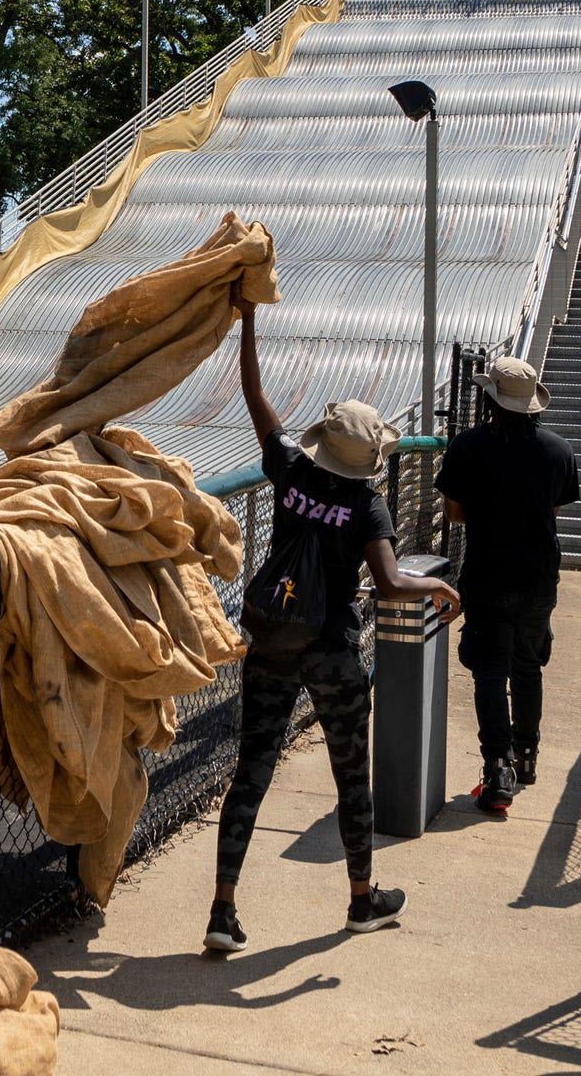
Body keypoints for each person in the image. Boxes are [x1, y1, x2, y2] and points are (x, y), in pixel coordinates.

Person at [205, 283, 460, 954]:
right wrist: (435, 591)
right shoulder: (367, 507)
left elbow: (255, 397)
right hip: (331, 649)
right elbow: (386, 581)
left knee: (250, 771)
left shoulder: (290, 471)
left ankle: (222, 912)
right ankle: (361, 899)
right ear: (369, 460)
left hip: (272, 638)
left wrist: (249, 319)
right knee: (352, 776)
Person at [435, 356, 579, 814]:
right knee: (528, 664)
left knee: (490, 671)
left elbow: (455, 513)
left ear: (489, 398)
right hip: (538, 577)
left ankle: (497, 766)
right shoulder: (559, 450)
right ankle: (527, 754)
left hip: (487, 573)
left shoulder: (467, 447)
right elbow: (552, 513)